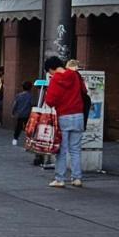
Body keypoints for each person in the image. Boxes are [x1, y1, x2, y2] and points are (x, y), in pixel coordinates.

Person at [44, 55, 87, 188]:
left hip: (63, 116)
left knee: (61, 150)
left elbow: (50, 100)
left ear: (51, 68)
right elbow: (84, 91)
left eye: (49, 71)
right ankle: (77, 178)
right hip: (78, 115)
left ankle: (60, 178)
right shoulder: (75, 75)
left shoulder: (56, 79)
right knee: (75, 149)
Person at [12, 80, 34, 147]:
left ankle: (15, 139)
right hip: (28, 114)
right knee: (29, 127)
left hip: (20, 114)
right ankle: (29, 140)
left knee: (18, 127)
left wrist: (13, 112)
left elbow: (15, 104)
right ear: (31, 88)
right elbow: (32, 104)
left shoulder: (18, 95)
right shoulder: (30, 96)